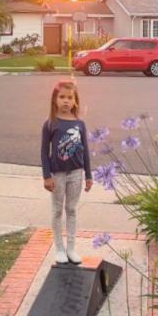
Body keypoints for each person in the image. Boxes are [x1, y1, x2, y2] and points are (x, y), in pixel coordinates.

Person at [40, 79, 93, 265]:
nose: (65, 101)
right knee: (57, 211)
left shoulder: (80, 124)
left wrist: (88, 175)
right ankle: (59, 248)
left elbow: (85, 150)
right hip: (58, 175)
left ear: (75, 101)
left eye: (69, 97)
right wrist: (47, 176)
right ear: (55, 99)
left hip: (76, 174)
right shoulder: (50, 124)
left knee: (71, 210)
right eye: (61, 97)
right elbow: (44, 152)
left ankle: (71, 248)